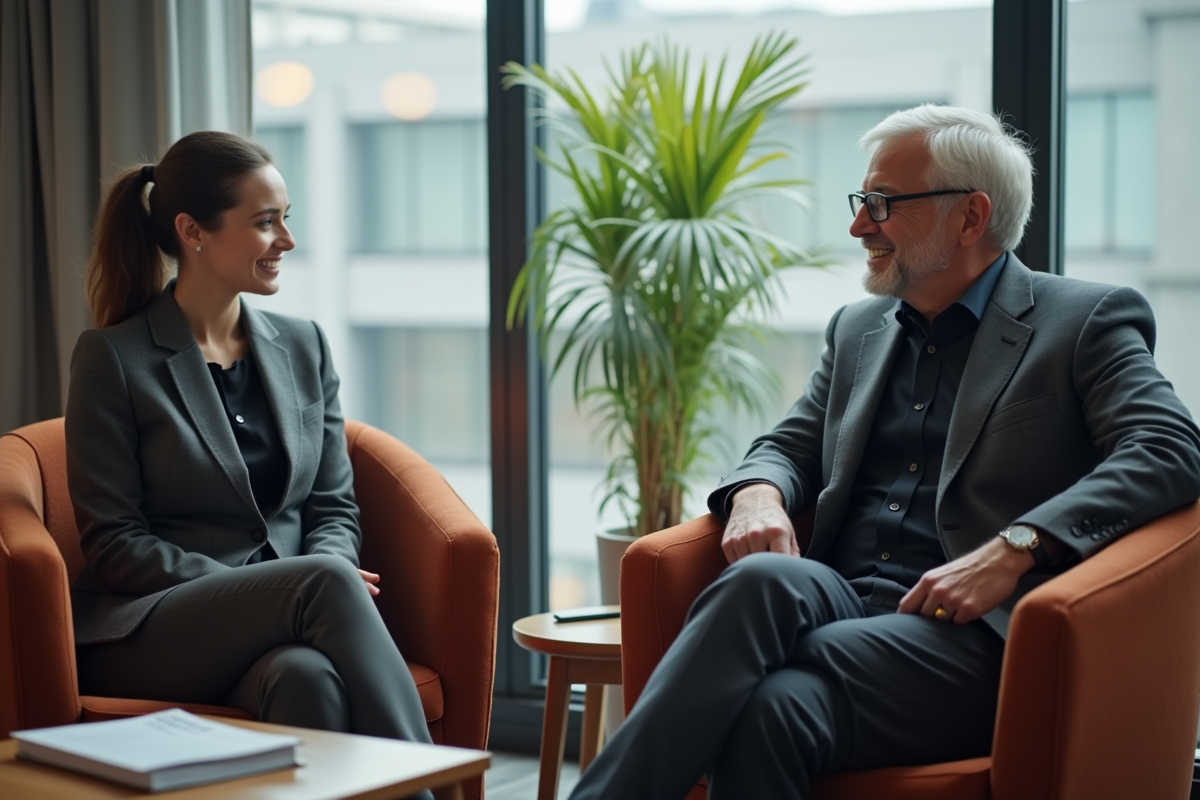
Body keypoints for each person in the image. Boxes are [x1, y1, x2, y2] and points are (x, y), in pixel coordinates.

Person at [569, 104, 1200, 799]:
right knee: (758, 584)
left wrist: (1016, 546)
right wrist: (757, 495)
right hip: (842, 602)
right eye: (861, 202)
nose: (858, 225)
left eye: (882, 204)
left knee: (769, 707)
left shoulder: (1083, 319)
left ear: (970, 216)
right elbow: (789, 444)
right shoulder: (858, 329)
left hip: (980, 642)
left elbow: (1169, 447)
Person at [66, 131, 433, 795]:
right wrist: (267, 593)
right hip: (155, 626)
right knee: (319, 581)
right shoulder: (113, 358)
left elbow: (331, 504)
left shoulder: (303, 344)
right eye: (266, 223)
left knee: (307, 678)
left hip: (290, 617)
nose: (286, 240)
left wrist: (302, 581)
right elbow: (113, 541)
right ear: (193, 231)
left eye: (286, 218)